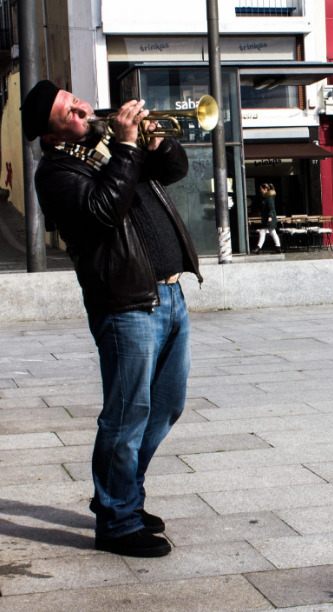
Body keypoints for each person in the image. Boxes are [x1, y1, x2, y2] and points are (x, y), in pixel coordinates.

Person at [21, 80, 202, 558]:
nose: (82, 104)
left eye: (75, 97)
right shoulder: (56, 171)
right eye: (68, 107)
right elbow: (102, 212)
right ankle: (117, 522)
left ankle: (124, 498)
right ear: (49, 130)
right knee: (126, 416)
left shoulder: (104, 146)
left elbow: (175, 170)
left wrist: (153, 140)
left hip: (169, 295)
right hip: (125, 304)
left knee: (166, 406)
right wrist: (124, 147)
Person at [251, 182, 281, 254]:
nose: (260, 190)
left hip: (268, 218)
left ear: (265, 189)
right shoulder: (267, 197)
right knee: (272, 232)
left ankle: (258, 248)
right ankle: (278, 248)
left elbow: (271, 208)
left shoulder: (269, 197)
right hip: (267, 218)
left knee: (264, 232)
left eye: (261, 189)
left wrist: (270, 216)